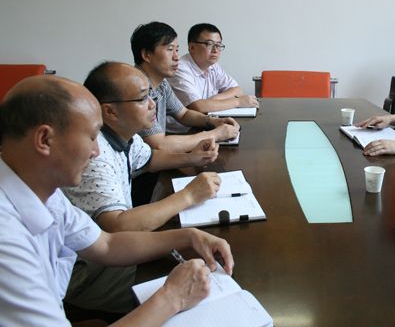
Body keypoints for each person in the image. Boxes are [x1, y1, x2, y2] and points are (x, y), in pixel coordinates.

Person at [0, 75, 234, 326]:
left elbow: (106, 244)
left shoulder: (42, 188)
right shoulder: (8, 241)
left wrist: (188, 237)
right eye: (91, 137)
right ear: (45, 140)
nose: (96, 151)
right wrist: (172, 297)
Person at [61, 62, 223, 314]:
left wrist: (192, 158)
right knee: (201, 289)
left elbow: (149, 159)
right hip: (90, 276)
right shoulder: (95, 154)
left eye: (150, 95)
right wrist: (189, 195)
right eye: (141, 98)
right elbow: (118, 226)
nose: (152, 104)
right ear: (110, 111)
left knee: (197, 268)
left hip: (111, 250)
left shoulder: (123, 134)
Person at [130, 21, 240, 152]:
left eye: (176, 50)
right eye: (170, 49)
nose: (176, 57)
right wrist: (215, 135)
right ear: (146, 55)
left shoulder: (162, 84)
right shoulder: (136, 89)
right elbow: (159, 145)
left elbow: (183, 114)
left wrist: (213, 121)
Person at [167, 23, 259, 123]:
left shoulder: (213, 66)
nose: (215, 50)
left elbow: (237, 90)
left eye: (218, 45)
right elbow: (198, 107)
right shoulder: (179, 69)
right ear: (192, 47)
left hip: (206, 123)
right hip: (185, 130)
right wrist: (238, 101)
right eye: (209, 44)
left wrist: (214, 99)